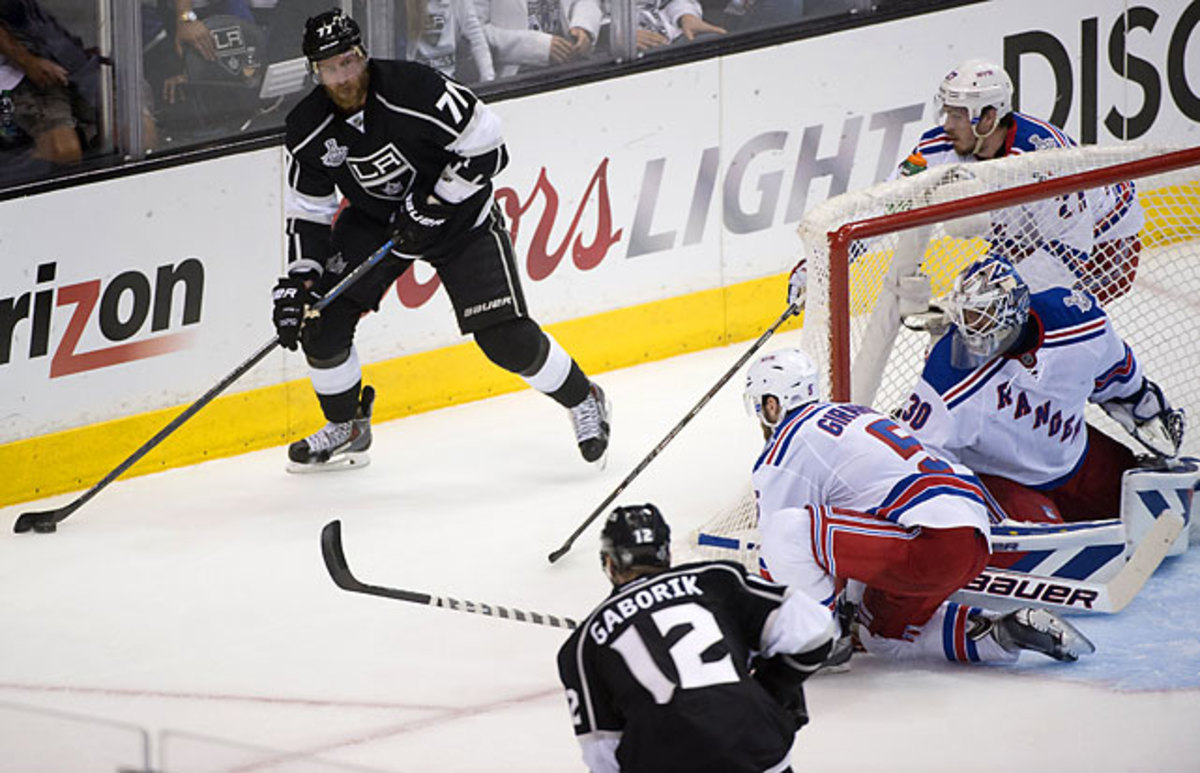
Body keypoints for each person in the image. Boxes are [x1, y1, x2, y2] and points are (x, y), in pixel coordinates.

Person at [273, 8, 610, 472]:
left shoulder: (415, 88)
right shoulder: (306, 127)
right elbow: (308, 214)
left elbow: (491, 146)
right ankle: (347, 425)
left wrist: (435, 202)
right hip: (376, 224)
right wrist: (301, 281)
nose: (344, 76)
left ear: (363, 55)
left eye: (349, 62)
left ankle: (583, 397)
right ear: (316, 72)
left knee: (505, 340)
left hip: (459, 218)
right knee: (321, 322)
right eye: (331, 68)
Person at [743, 346, 1096, 664]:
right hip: (969, 531)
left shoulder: (786, 447)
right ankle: (1002, 633)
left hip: (926, 538)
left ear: (773, 404)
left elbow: (781, 551)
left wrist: (769, 623)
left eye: (761, 406)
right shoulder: (854, 414)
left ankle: (817, 642)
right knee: (880, 637)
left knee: (785, 532)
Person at [895, 254, 1185, 524]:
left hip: (1074, 456)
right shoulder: (949, 372)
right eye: (969, 317)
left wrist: (1147, 411)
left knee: (1139, 498)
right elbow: (919, 453)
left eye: (983, 316)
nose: (975, 331)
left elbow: (1120, 379)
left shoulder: (1078, 323)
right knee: (1046, 536)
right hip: (1005, 479)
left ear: (1016, 309)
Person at [557, 503, 836, 773]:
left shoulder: (582, 645)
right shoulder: (717, 579)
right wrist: (771, 690)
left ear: (609, 562)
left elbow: (602, 754)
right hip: (754, 744)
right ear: (666, 554)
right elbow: (816, 629)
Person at [900, 57, 1143, 305]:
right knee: (979, 316)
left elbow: (1070, 248)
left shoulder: (1042, 162)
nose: (948, 126)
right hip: (1028, 238)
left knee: (1036, 320)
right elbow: (888, 200)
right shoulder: (939, 146)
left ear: (988, 118)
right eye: (947, 113)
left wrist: (1002, 292)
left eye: (958, 116)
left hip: (1102, 243)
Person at [0, 0, 100, 173]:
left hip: (78, 58)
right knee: (65, 151)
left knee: (139, 134)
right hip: (24, 69)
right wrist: (27, 61)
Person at [472, 0, 601, 79]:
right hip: (516, 80)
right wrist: (538, 47)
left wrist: (584, 26)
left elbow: (586, 1)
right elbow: (473, 34)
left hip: (572, 65)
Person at [635, 0, 726, 52]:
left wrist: (686, 16)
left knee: (716, 44)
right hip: (632, 57)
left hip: (675, 39)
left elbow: (668, 2)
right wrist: (623, 39)